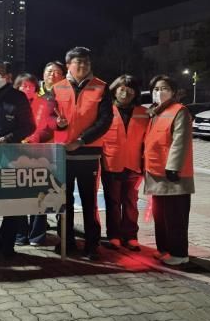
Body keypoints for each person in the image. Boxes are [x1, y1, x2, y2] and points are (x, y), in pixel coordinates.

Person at [53, 47, 112, 260]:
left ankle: (92, 245)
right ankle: (66, 241)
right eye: (78, 62)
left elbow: (105, 120)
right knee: (63, 200)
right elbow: (49, 120)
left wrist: (81, 140)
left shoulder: (101, 87)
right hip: (63, 154)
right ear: (68, 65)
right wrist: (58, 125)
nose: (83, 65)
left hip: (88, 154)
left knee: (89, 202)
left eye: (86, 62)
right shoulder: (57, 88)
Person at [0, 60, 35, 257]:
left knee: (11, 202)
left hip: (11, 157)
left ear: (8, 76)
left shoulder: (18, 98)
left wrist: (9, 138)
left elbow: (29, 126)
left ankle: (8, 244)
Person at [144, 75, 194, 266]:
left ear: (173, 92)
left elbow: (180, 141)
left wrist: (173, 167)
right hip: (156, 173)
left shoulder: (179, 111)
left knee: (175, 216)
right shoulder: (155, 112)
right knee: (161, 216)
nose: (159, 92)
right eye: (156, 89)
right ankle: (165, 250)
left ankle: (179, 254)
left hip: (173, 176)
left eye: (164, 88)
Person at [16, 62, 65, 246]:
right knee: (19, 195)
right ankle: (20, 234)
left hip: (42, 153)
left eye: (30, 86)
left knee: (41, 194)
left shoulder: (46, 102)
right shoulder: (13, 104)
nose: (26, 89)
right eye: (23, 86)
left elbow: (50, 124)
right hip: (17, 154)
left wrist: (57, 125)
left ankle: (37, 235)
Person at [100, 75, 149, 252]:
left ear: (135, 93)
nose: (125, 93)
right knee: (112, 203)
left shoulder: (144, 113)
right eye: (121, 89)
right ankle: (114, 236)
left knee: (131, 203)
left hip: (134, 165)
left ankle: (131, 236)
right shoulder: (106, 111)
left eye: (130, 90)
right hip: (111, 163)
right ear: (114, 90)